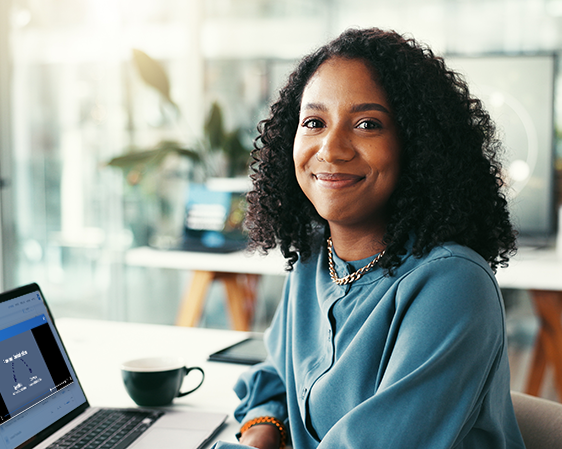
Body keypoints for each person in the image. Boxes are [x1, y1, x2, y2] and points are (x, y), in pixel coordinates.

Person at [212, 28, 525, 449]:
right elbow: (276, 377)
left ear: (415, 144)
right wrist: (260, 435)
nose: (332, 148)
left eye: (367, 124)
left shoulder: (453, 284)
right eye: (314, 122)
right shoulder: (313, 260)